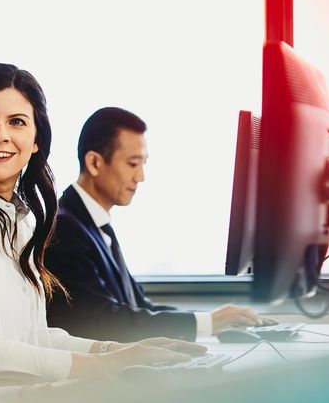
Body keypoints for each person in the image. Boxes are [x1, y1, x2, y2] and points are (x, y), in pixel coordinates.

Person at [0, 63, 201, 385]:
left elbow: (33, 336)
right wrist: (105, 364)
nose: (0, 135)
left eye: (17, 122)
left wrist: (116, 350)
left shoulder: (18, 219)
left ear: (36, 139)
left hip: (3, 396)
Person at [45, 107, 265, 343]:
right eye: (132, 164)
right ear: (95, 162)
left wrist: (211, 321)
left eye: (143, 164)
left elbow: (138, 305)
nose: (140, 177)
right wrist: (208, 322)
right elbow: (103, 321)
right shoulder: (65, 229)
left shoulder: (93, 223)